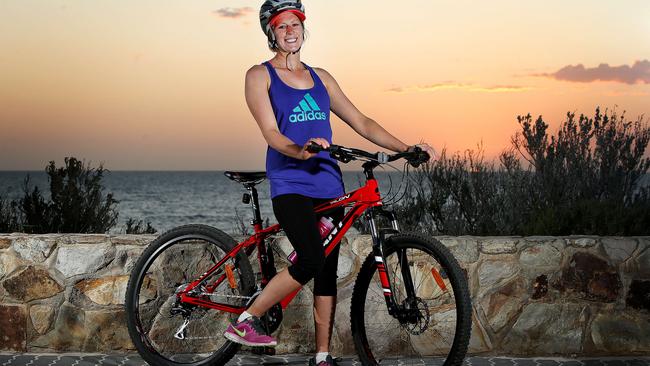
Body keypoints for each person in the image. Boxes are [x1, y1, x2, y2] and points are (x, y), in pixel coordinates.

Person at [223, 1, 435, 365]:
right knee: (310, 258)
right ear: (270, 33)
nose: (291, 31)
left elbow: (362, 122)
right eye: (282, 26)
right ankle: (248, 319)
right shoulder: (259, 76)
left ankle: (322, 356)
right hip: (290, 181)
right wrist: (300, 151)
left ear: (304, 29)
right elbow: (271, 133)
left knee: (325, 270)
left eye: (296, 24)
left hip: (328, 185)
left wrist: (406, 148)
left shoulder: (321, 77)